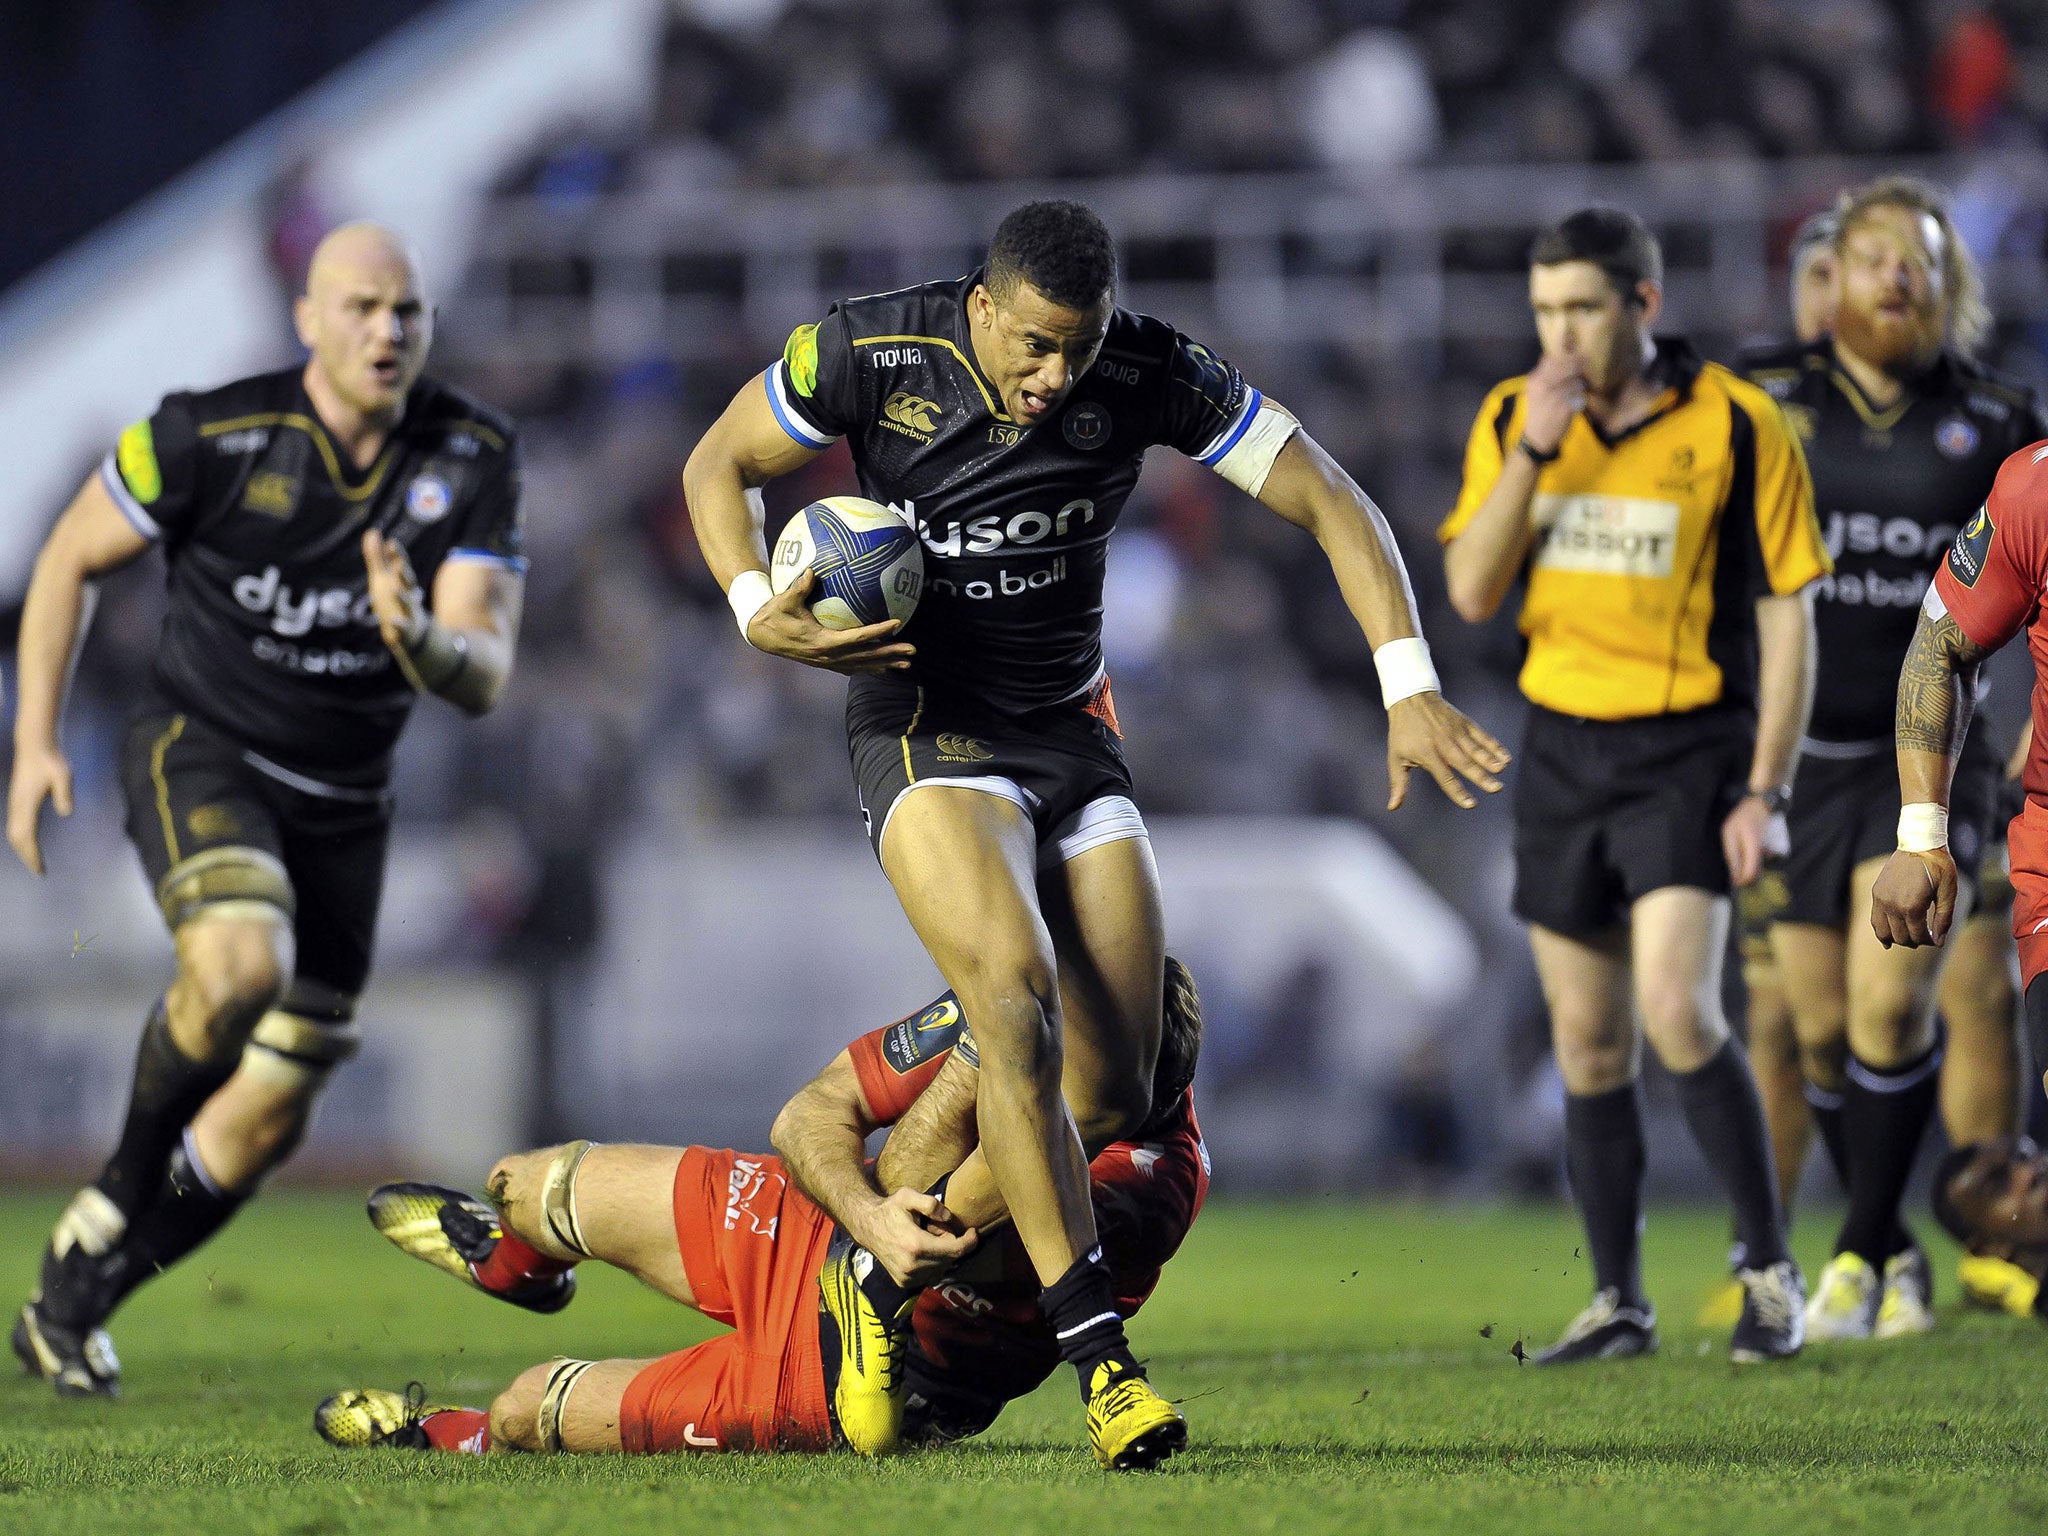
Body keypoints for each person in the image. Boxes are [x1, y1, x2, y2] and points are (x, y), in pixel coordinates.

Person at [682, 199, 1506, 1462]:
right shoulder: (868, 353)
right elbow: (714, 465)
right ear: (982, 306)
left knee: (1115, 1087)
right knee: (1012, 1003)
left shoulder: (1146, 371)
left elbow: (1332, 498)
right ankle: (1105, 1369)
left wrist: (1406, 686)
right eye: (1031, 346)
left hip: (1069, 731)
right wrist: (753, 606)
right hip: (924, 723)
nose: (1052, 377)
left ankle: (875, 1271)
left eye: (1077, 346)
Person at [9, 224, 526, 1398]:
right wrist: (36, 740)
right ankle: (109, 1192)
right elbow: (62, 560)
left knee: (269, 1114)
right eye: (360, 308)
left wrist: (422, 640)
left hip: (347, 804)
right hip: (205, 752)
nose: (386, 331)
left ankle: (71, 1302)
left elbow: (483, 669)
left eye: (407, 311)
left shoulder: (473, 452)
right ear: (306, 319)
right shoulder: (208, 433)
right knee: (241, 964)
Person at [1440, 206, 1830, 1365]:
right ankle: (1618, 1301)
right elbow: (1467, 589)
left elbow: (1786, 617)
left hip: (1686, 747)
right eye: (1543, 310)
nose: (1558, 334)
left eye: (1581, 309)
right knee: (1587, 1043)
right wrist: (1530, 455)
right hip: (1562, 749)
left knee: (1677, 1010)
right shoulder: (1516, 416)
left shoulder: (1736, 424)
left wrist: (1764, 786)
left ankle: (1765, 1268)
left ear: (1641, 305)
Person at [313, 962, 1207, 1460]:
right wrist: (858, 1201)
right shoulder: (1013, 1015)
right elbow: (809, 1115)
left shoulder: (1147, 1184)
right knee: (523, 1183)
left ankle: (439, 1440)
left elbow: (926, 1231)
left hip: (859, 1367)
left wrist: (979, 1065)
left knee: (524, 1409)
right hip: (817, 1231)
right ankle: (517, 1269)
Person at [1743, 177, 2048, 1342]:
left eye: (1916, 256)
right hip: (1800, 754)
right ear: (1829, 275)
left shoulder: (1997, 420)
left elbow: (2003, 603)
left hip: (1927, 758)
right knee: (1814, 1026)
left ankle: (1863, 1254)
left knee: (1901, 997)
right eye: (1869, 253)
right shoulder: (1762, 403)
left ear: (1945, 282)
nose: (1892, 273)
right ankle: (1892, 1243)